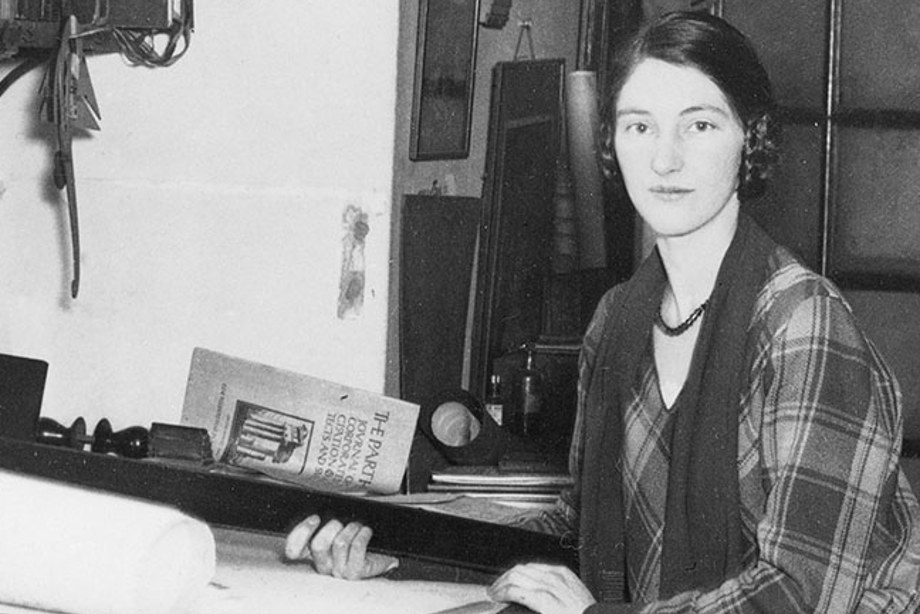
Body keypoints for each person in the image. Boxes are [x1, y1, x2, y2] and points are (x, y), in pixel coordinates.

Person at [285, 11, 920, 613]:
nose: (665, 160)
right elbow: (580, 532)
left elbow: (802, 594)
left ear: (749, 138)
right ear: (613, 142)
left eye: (699, 125)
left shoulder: (801, 324)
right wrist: (395, 552)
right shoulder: (618, 320)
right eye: (639, 126)